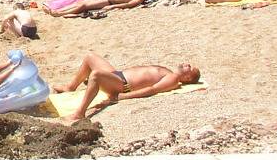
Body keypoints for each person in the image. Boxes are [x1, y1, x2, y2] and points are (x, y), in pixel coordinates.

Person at [53, 52, 200, 122]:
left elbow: (153, 89)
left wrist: (122, 96)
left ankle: (80, 112)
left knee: (96, 74)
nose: (187, 63)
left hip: (122, 85)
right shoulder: (169, 72)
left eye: (190, 67)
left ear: (187, 78)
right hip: (117, 75)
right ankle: (70, 87)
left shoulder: (173, 79)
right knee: (90, 57)